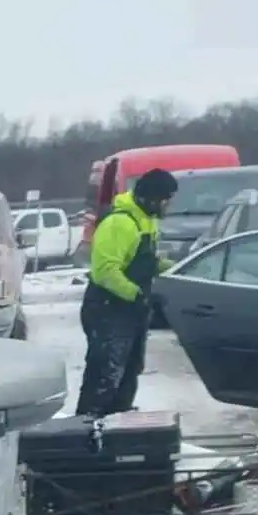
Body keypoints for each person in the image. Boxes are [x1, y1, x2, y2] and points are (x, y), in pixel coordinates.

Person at [75, 168, 178, 419]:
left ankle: (118, 421)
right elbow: (105, 271)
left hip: (131, 310)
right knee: (105, 376)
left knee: (129, 370)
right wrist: (136, 295)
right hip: (108, 309)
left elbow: (145, 261)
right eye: (166, 200)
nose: (168, 206)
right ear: (151, 199)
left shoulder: (146, 221)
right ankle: (87, 427)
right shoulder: (120, 223)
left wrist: (178, 267)